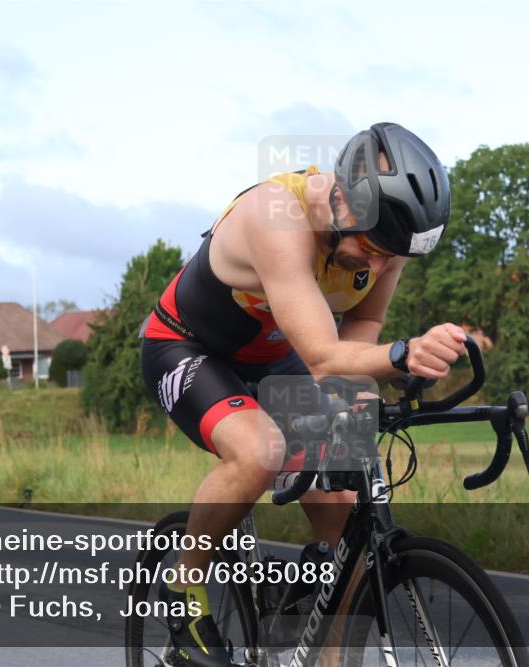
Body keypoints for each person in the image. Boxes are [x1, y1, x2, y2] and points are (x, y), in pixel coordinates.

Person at [139, 122, 467, 666]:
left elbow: (363, 322)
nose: (380, 266)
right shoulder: (278, 217)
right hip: (188, 347)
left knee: (349, 524)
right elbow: (322, 355)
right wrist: (400, 354)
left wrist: (354, 400)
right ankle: (184, 588)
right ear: (342, 200)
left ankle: (326, 658)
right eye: (374, 248)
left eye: (394, 256)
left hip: (277, 358)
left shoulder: (382, 237)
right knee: (259, 450)